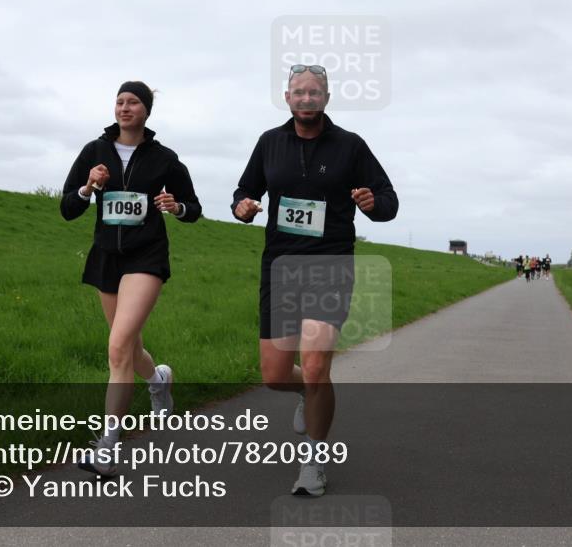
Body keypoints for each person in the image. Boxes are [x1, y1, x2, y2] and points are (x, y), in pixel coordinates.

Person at [232, 64, 398, 496]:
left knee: (316, 365)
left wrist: (372, 203)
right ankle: (308, 393)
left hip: (330, 265)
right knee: (274, 374)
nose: (306, 98)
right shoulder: (269, 143)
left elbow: (388, 201)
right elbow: (244, 191)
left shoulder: (350, 146)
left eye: (314, 92)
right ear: (287, 97)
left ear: (326, 97)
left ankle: (314, 460)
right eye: (299, 92)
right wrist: (243, 207)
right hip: (281, 268)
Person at [61, 80, 202, 477]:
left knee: (118, 347)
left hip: (147, 256)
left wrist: (176, 206)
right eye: (120, 101)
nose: (124, 107)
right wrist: (88, 187)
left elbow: (193, 208)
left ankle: (107, 447)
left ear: (146, 111)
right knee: (129, 348)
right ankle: (158, 380)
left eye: (133, 102)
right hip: (107, 257)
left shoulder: (164, 158)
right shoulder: (94, 151)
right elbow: (67, 208)